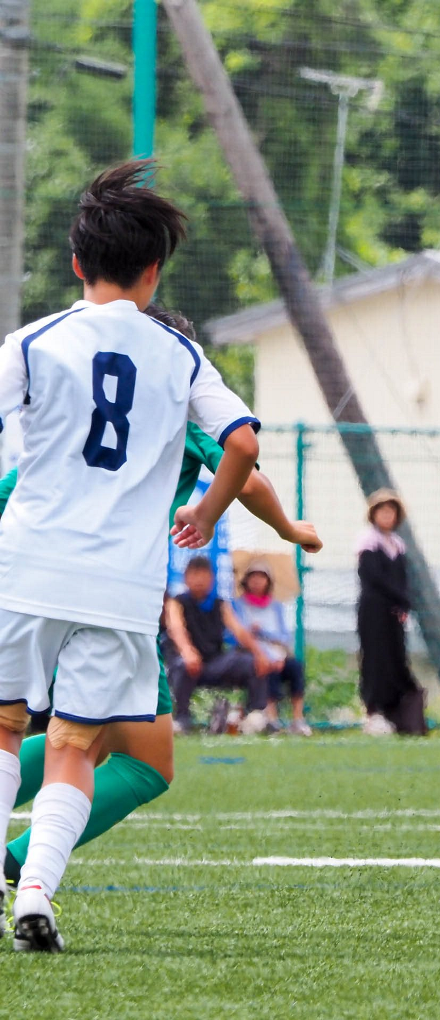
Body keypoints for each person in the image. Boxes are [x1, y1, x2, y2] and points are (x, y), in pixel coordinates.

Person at [0, 160, 260, 951]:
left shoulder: (29, 342)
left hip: (27, 562)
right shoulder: (179, 355)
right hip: (123, 583)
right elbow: (244, 442)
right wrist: (204, 511)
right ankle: (36, 891)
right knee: (77, 744)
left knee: (7, 729)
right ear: (154, 273)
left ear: (78, 263)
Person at [1, 303, 322, 895]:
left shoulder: (69, 423)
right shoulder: (171, 405)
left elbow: (12, 490)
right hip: (118, 597)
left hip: (34, 583)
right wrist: (287, 528)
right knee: (137, 758)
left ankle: (21, 864)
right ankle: (23, 868)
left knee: (50, 730)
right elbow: (245, 467)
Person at [165, 556, 273, 731]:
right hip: (187, 663)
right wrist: (187, 651)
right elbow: (176, 629)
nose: (199, 580)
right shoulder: (176, 603)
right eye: (194, 575)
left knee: (252, 662)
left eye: (204, 575)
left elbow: (239, 631)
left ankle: (255, 715)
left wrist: (260, 654)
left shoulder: (220, 604)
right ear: (186, 578)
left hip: (214, 663)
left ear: (212, 579)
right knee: (183, 665)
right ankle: (182, 718)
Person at [357, 490, 425, 736]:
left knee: (396, 659)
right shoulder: (368, 543)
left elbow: (402, 579)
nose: (387, 515)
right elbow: (373, 578)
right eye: (382, 510)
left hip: (394, 614)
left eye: (391, 510)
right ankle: (374, 711)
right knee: (375, 659)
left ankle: (399, 715)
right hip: (374, 611)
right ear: (373, 514)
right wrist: (400, 598)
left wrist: (404, 605)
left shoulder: (397, 544)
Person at [233, 559, 310, 735]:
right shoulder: (238, 605)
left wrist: (268, 637)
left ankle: (298, 719)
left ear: (268, 581)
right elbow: (235, 636)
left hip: (277, 653)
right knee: (268, 670)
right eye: (253, 577)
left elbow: (284, 636)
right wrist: (250, 633)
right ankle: (272, 718)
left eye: (261, 577)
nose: (257, 582)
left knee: (295, 667)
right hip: (252, 654)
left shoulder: (276, 606)